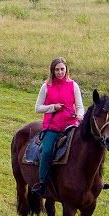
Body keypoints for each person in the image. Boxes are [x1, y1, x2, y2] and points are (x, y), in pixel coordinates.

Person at [30, 56, 83, 197]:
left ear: (66, 70)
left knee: (86, 145)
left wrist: (79, 115)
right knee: (46, 151)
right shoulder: (46, 86)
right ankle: (42, 183)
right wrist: (53, 107)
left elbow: (80, 107)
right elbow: (37, 108)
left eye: (62, 69)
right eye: (57, 70)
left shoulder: (73, 85)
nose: (60, 72)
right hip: (52, 126)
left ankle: (94, 180)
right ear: (52, 71)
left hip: (70, 124)